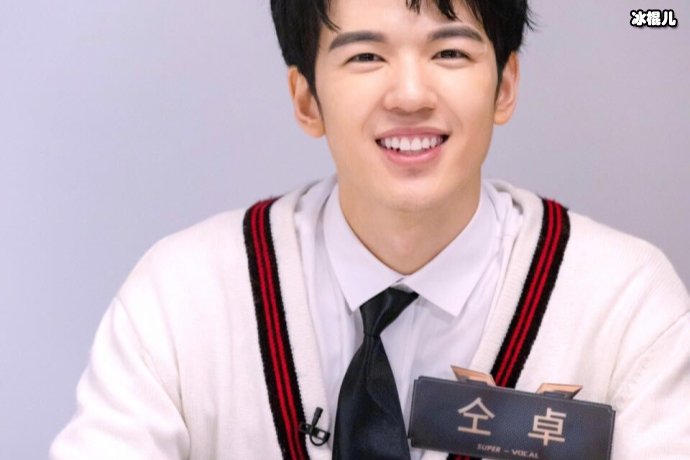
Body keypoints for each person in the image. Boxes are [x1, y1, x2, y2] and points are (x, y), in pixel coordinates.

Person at [51, 0, 689, 459]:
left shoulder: (624, 303)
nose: (409, 95)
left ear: (505, 86)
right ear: (306, 99)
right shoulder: (182, 294)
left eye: (449, 51)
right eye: (365, 55)